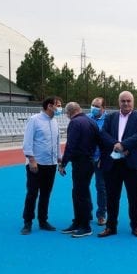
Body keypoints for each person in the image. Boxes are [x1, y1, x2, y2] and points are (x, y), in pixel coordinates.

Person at [97, 91, 137, 238]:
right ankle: (110, 227)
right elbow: (103, 134)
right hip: (112, 163)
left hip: (132, 163)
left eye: (128, 101)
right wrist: (116, 145)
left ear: (133, 102)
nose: (126, 103)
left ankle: (136, 226)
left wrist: (124, 145)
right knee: (112, 197)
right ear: (118, 102)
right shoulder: (110, 117)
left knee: (134, 196)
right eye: (123, 101)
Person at [20, 96, 63, 235]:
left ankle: (43, 220)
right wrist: (31, 160)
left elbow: (57, 143)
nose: (60, 108)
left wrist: (60, 161)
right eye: (58, 105)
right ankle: (27, 222)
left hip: (51, 164)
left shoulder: (55, 122)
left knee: (46, 194)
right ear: (50, 106)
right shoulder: (34, 120)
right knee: (32, 193)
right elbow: (27, 141)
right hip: (36, 164)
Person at [58, 102, 100, 238]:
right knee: (80, 191)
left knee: (80, 193)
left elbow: (71, 145)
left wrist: (63, 163)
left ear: (69, 112)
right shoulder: (92, 122)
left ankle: (85, 225)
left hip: (81, 162)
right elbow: (98, 141)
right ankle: (78, 221)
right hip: (90, 161)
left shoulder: (75, 123)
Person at [89, 97, 108, 226]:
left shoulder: (109, 121)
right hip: (87, 158)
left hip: (101, 159)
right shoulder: (86, 118)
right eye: (93, 105)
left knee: (101, 188)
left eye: (97, 106)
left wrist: (104, 157)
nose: (94, 108)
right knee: (83, 186)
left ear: (103, 108)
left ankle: (101, 214)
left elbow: (109, 141)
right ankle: (86, 212)